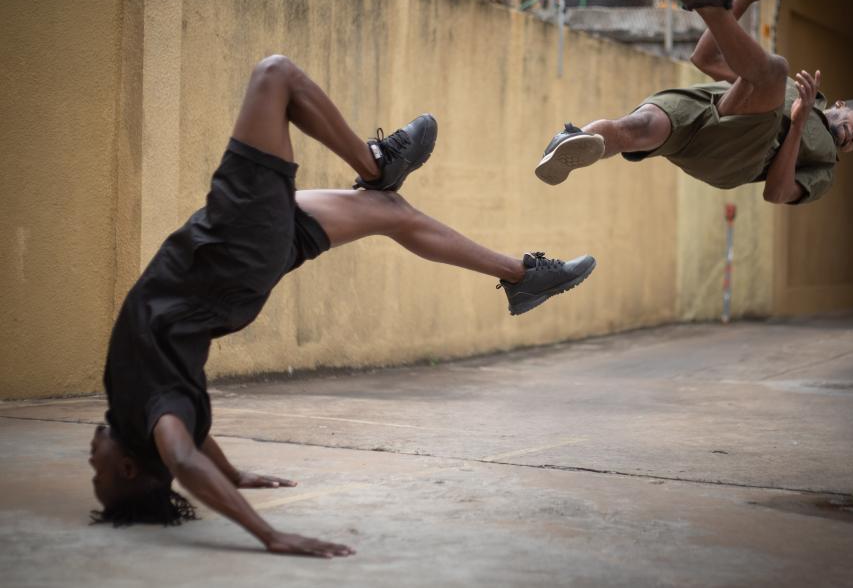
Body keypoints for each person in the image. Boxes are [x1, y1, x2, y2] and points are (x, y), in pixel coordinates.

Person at [90, 55, 596, 557]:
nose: (93, 459)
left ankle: (523, 277)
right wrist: (270, 535)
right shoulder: (155, 413)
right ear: (129, 469)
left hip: (237, 270)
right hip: (230, 244)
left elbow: (193, 445)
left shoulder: (142, 412)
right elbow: (182, 457)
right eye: (100, 473)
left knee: (390, 212)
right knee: (275, 75)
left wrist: (235, 474)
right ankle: (376, 162)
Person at [534, 0, 853, 205]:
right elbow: (703, 58)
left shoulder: (825, 167)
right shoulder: (792, 90)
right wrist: (744, 1)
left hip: (731, 157)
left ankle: (708, 4)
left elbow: (776, 193)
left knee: (774, 69)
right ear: (842, 105)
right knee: (636, 128)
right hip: (708, 108)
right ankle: (570, 141)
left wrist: (797, 125)